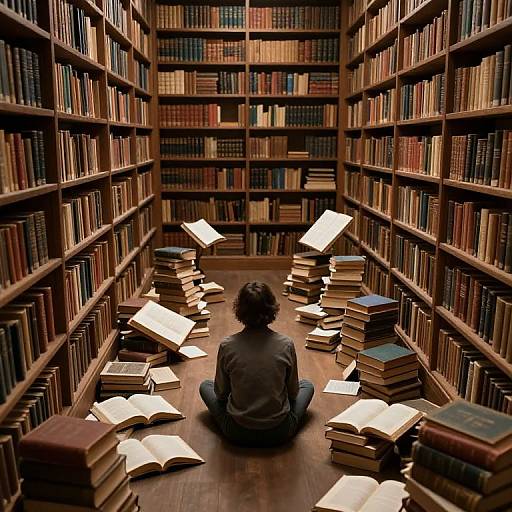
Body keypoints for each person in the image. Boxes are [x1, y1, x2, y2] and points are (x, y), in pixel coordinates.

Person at [199, 281, 314, 447]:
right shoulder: (286, 344)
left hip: (237, 431)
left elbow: (221, 394)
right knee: (307, 385)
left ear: (239, 309)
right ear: (272, 308)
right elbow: (294, 393)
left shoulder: (227, 345)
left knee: (205, 386)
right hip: (280, 431)